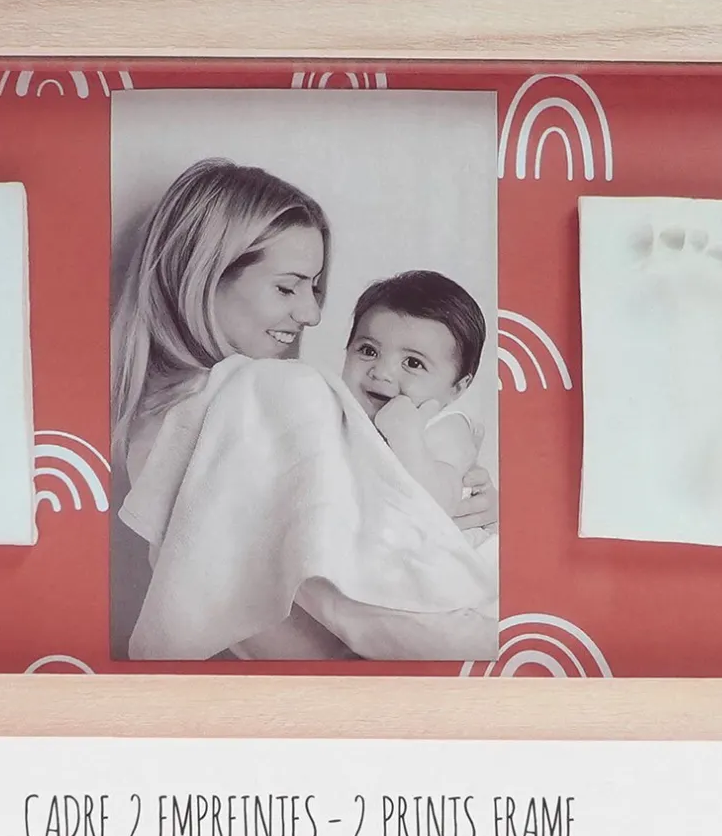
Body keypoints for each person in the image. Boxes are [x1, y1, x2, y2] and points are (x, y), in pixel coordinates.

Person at [111, 158, 498, 660]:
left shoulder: (158, 423)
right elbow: (382, 606)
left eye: (313, 288)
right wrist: (516, 628)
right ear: (203, 276)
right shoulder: (270, 395)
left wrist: (459, 504)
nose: (311, 314)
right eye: (287, 287)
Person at [340, 269, 494, 549]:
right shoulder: (340, 415)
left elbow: (434, 506)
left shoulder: (447, 428)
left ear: (457, 387)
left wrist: (406, 438)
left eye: (413, 363)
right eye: (368, 351)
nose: (381, 372)